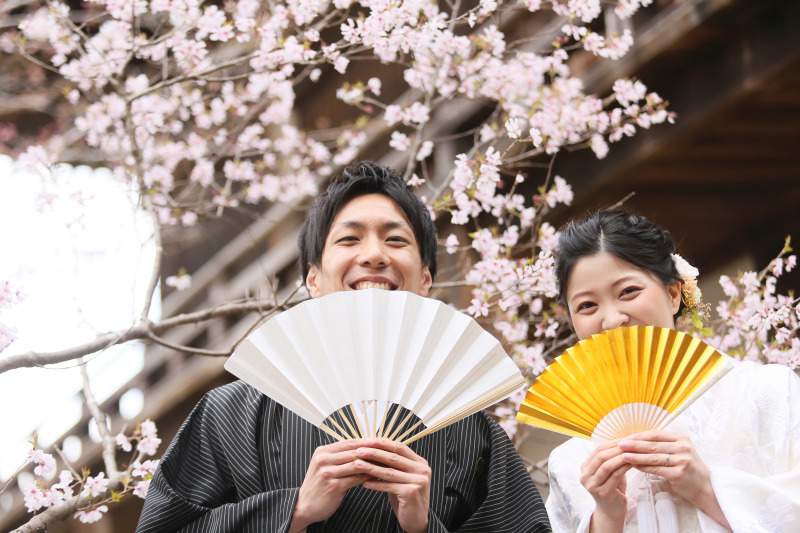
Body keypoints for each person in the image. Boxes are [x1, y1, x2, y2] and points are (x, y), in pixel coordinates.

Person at [136, 161, 551, 532]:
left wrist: (425, 527)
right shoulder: (234, 413)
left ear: (425, 280)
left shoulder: (469, 427)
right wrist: (294, 511)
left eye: (396, 240)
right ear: (313, 279)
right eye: (349, 240)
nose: (373, 255)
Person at [545, 209, 800, 532]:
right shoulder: (570, 460)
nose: (611, 320)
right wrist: (606, 517)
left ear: (673, 293)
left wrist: (705, 488)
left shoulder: (769, 392)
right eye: (587, 306)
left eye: (628, 291)